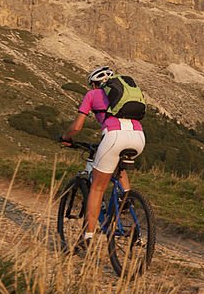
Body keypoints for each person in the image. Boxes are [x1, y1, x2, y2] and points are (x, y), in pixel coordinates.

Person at [60, 66, 146, 253]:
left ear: (94, 84)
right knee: (119, 169)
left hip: (114, 137)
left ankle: (87, 239)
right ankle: (126, 202)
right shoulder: (123, 95)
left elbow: (77, 127)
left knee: (97, 188)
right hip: (139, 137)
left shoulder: (92, 95)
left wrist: (66, 137)